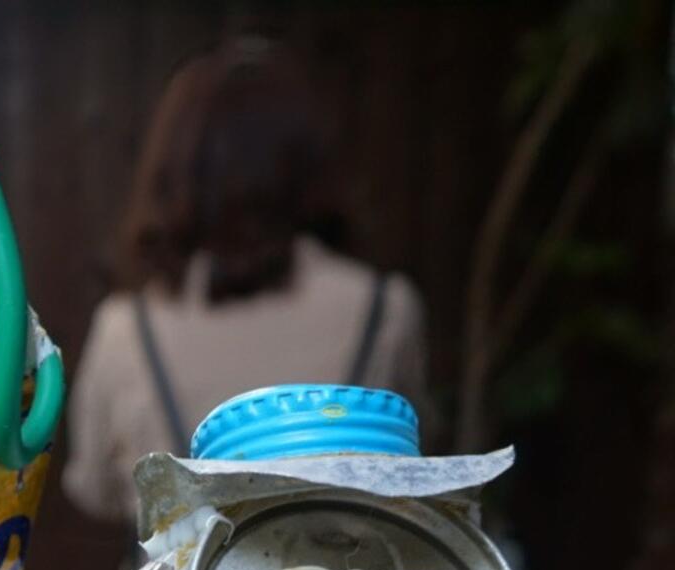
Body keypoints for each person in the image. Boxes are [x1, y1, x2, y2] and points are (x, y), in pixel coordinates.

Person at [63, 39, 429, 528]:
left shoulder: (124, 328)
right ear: (307, 163)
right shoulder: (387, 309)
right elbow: (410, 463)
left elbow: (94, 491)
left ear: (177, 165)